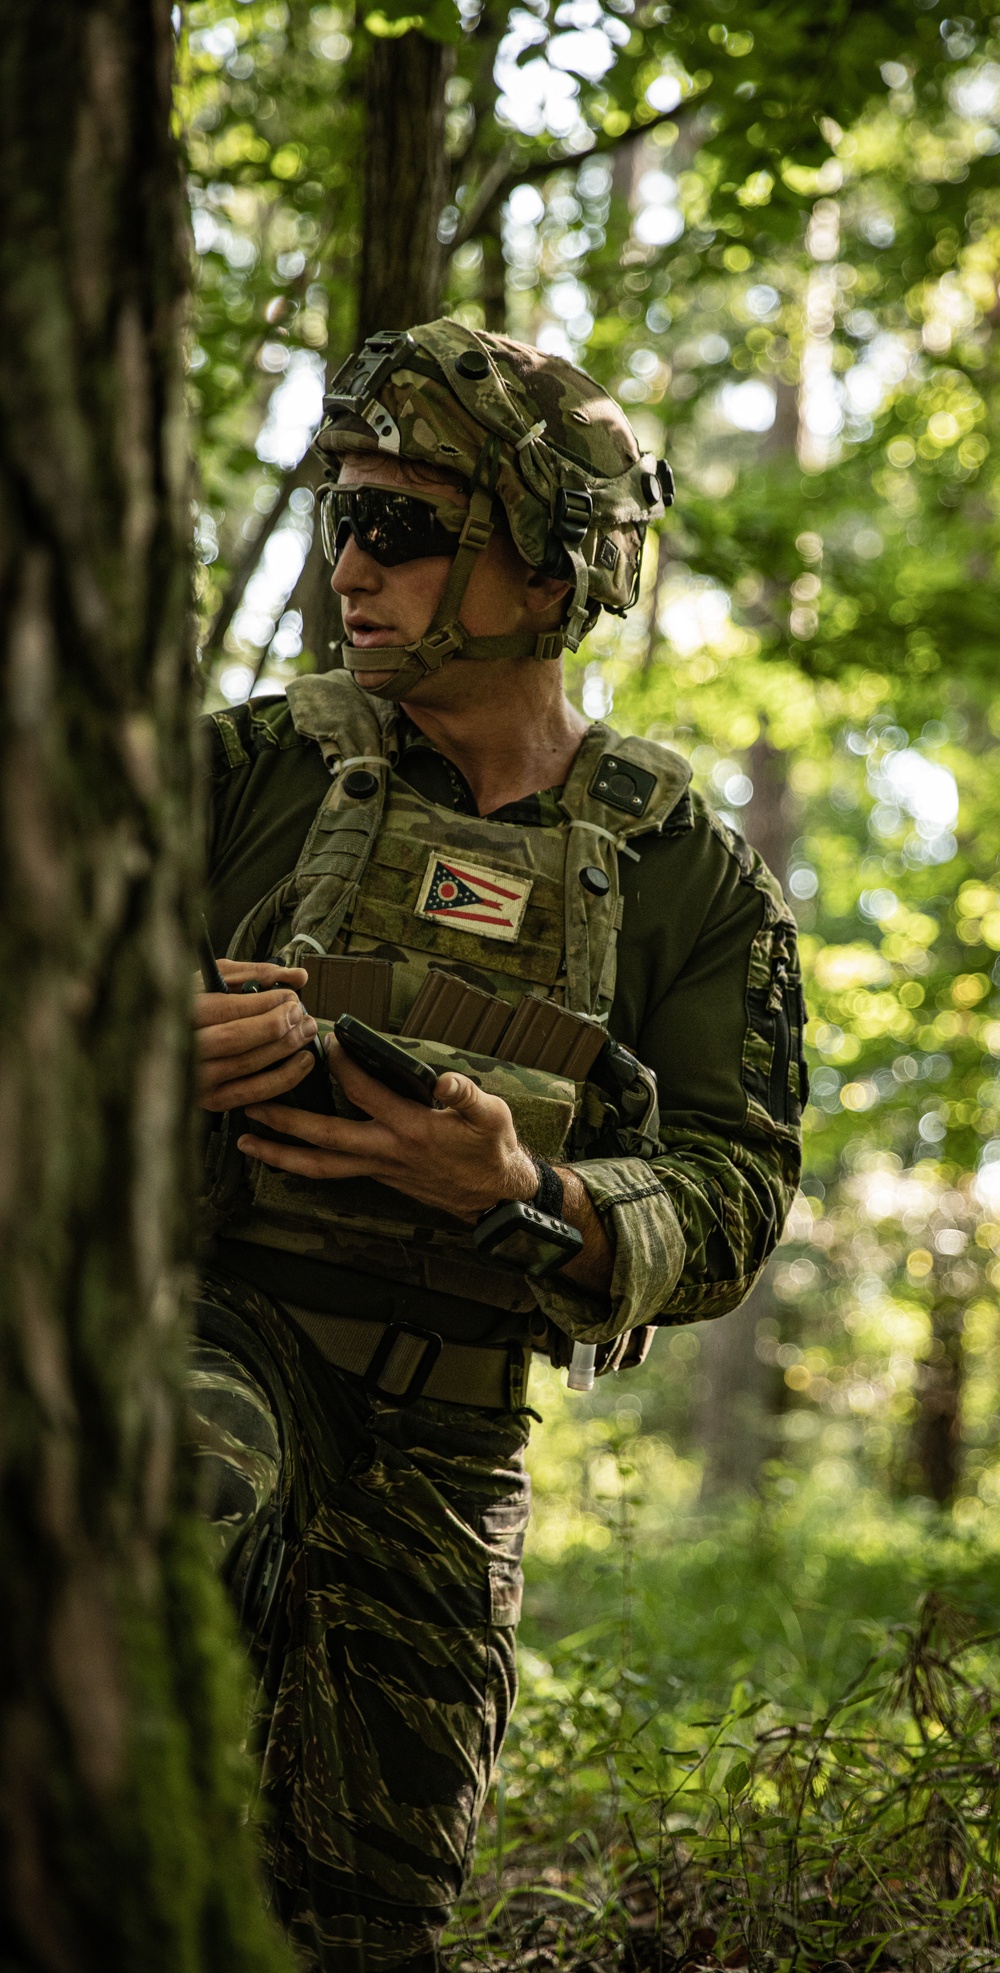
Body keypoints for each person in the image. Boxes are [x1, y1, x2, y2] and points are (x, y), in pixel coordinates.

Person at [190, 321, 806, 1973]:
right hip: (212, 1337)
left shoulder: (688, 877)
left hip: (455, 1442)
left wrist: (531, 1190)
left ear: (548, 573)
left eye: (404, 526)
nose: (351, 563)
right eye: (343, 515)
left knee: (367, 1917)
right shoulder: (239, 776)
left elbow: (740, 1187)